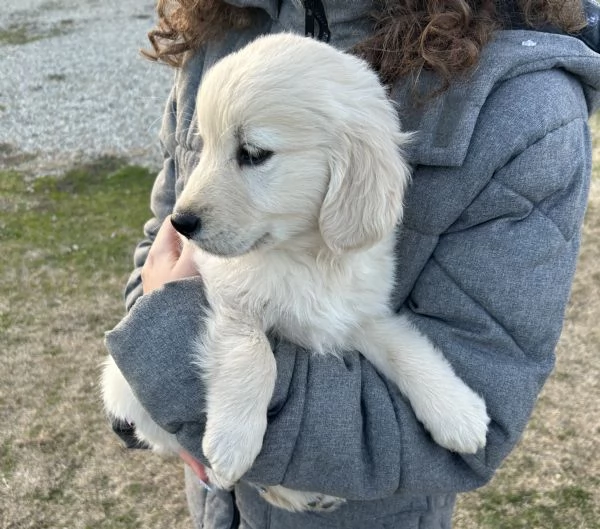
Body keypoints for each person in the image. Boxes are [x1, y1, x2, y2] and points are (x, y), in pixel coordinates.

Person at [103, 1, 600, 528]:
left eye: (253, 153)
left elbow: (464, 411)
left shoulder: (527, 108)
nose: (196, 198)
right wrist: (156, 358)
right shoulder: (228, 22)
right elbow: (167, 231)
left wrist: (173, 366)